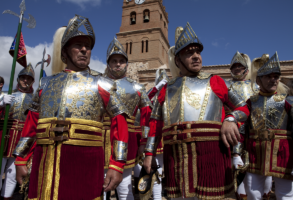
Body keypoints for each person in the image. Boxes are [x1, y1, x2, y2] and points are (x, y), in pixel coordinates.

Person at [14, 15, 130, 200]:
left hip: (84, 163)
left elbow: (120, 122)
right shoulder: (45, 84)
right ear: (65, 51)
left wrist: (117, 165)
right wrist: (21, 157)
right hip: (44, 161)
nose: (84, 49)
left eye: (88, 46)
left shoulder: (102, 84)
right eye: (78, 45)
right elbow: (32, 122)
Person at [143, 22, 250, 200]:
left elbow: (243, 107)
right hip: (175, 159)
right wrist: (148, 154)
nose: (196, 57)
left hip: (211, 155)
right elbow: (155, 124)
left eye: (198, 52)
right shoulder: (166, 89)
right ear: (177, 60)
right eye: (189, 53)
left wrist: (231, 119)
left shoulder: (215, 81)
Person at [103, 37, 153, 200]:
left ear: (126, 64)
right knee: (99, 184)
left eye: (121, 61)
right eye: (114, 61)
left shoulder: (138, 88)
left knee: (124, 186)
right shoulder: (97, 83)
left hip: (127, 140)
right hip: (99, 139)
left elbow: (146, 117)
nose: (118, 64)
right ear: (108, 63)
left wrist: (144, 143)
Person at [244, 52, 293, 200]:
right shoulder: (250, 102)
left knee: (286, 194)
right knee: (252, 192)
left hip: (283, 151)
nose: (273, 80)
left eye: (276, 76)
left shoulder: (288, 100)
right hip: (255, 151)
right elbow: (242, 126)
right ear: (259, 80)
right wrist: (237, 152)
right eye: (268, 76)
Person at [227, 51, 272, 200]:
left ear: (246, 69)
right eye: (234, 67)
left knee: (261, 168)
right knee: (237, 171)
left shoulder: (255, 86)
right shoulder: (226, 86)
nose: (237, 69)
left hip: (254, 131)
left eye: (240, 67)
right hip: (233, 130)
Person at [0, 66, 34, 200]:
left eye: (29, 79)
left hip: (21, 139)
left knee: (12, 176)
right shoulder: (4, 95)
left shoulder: (35, 99)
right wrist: (0, 105)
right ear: (18, 79)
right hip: (2, 137)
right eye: (23, 78)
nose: (25, 81)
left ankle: (7, 197)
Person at [133, 68, 168, 200]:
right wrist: (144, 141)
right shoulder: (151, 101)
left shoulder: (169, 96)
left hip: (169, 138)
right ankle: (157, 197)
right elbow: (145, 121)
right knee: (155, 171)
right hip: (156, 140)